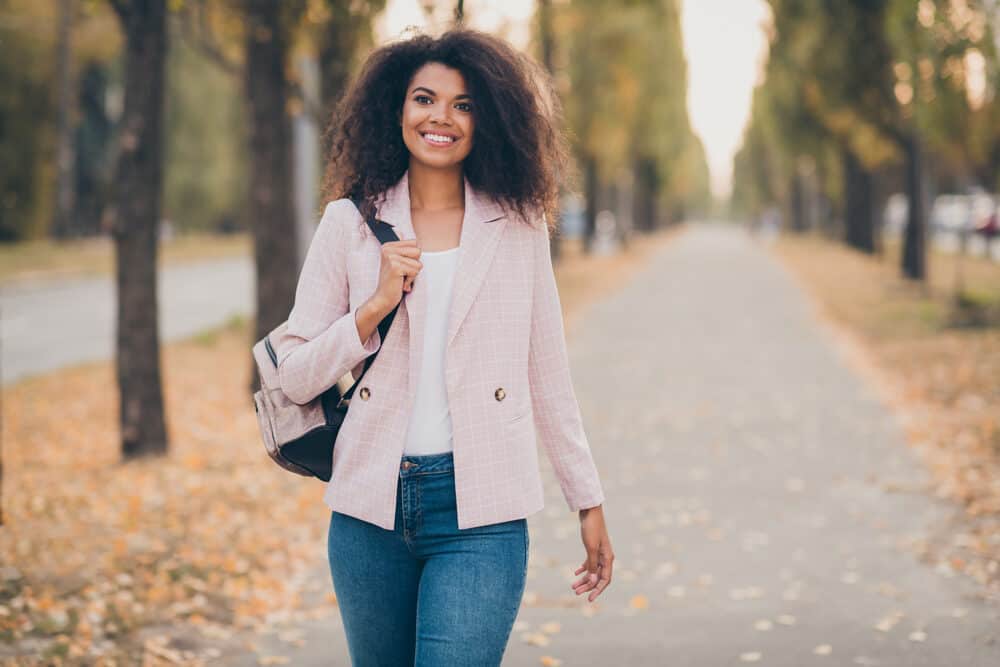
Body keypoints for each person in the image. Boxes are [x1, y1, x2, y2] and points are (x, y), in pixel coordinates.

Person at [276, 28, 614, 666]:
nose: (441, 117)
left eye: (463, 104)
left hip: (482, 514)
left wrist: (586, 500)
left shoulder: (517, 228)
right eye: (424, 99)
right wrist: (372, 307)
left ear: (489, 119)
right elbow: (292, 375)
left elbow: (549, 377)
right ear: (395, 110)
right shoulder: (348, 224)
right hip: (369, 512)